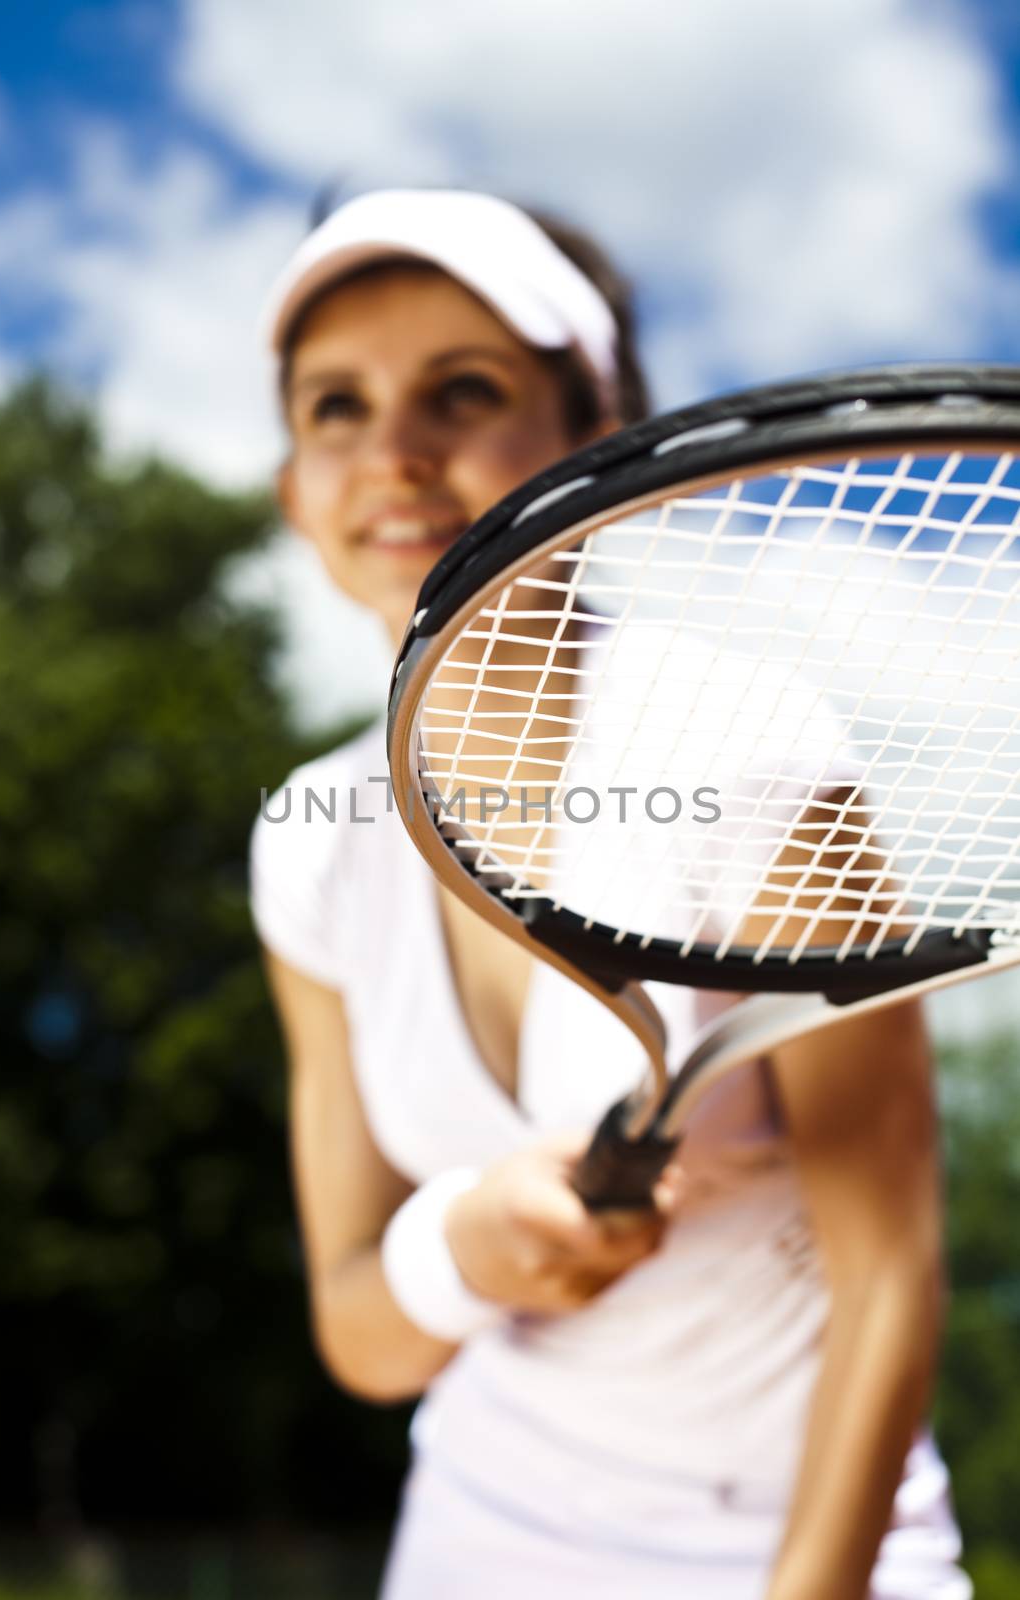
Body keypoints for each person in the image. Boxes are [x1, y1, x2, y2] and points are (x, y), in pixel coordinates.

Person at [248, 188, 972, 1599]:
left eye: (466, 390)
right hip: (477, 1538)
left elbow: (890, 1279)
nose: (394, 453)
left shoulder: (753, 752)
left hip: (807, 1552)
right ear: (293, 488)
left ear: (599, 447)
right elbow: (361, 1335)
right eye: (335, 407)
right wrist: (466, 1250)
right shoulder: (309, 842)